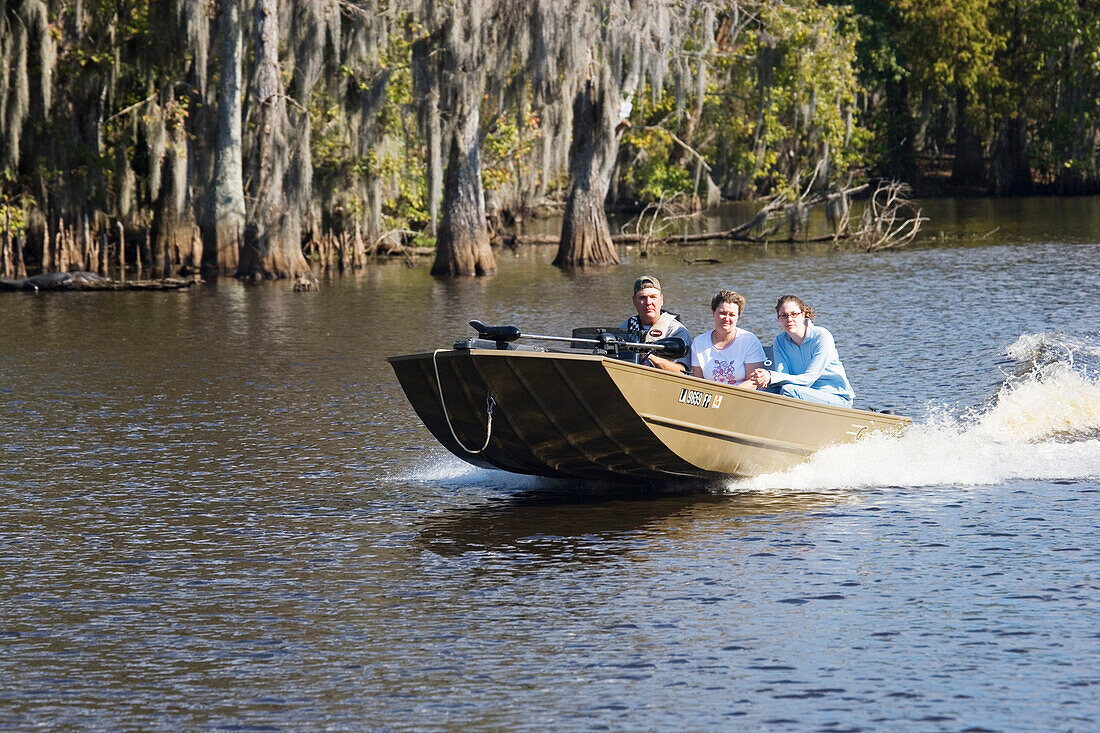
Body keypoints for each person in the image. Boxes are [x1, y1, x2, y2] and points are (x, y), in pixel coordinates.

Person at [750, 295, 854, 407]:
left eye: (794, 314)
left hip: (836, 398)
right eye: (784, 316)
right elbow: (782, 377)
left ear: (803, 314)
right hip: (799, 393)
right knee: (762, 394)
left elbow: (809, 378)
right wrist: (764, 380)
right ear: (778, 319)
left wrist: (771, 376)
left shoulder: (822, 336)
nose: (789, 319)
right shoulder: (779, 341)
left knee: (789, 391)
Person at [690, 290, 766, 389]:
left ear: (737, 316)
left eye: (732, 315)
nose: (726, 318)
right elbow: (698, 382)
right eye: (723, 313)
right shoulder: (699, 343)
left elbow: (753, 382)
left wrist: (726, 396)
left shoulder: (749, 340)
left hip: (741, 396)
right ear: (713, 313)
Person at [619, 275, 692, 374]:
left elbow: (683, 371)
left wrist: (650, 357)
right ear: (634, 301)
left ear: (661, 300)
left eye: (653, 297)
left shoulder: (677, 331)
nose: (648, 302)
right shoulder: (625, 327)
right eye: (642, 298)